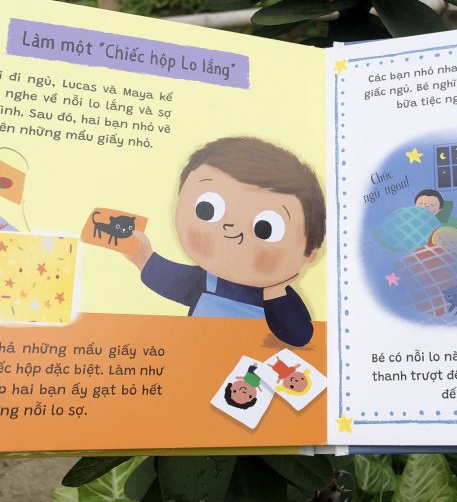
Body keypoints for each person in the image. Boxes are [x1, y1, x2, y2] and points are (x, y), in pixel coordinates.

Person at [126, 137, 324, 347]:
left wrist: (275, 293)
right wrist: (144, 257)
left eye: (266, 229)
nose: (232, 230)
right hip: (199, 353)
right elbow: (172, 280)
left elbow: (299, 336)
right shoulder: (206, 280)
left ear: (310, 251)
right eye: (207, 209)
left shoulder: (279, 297)